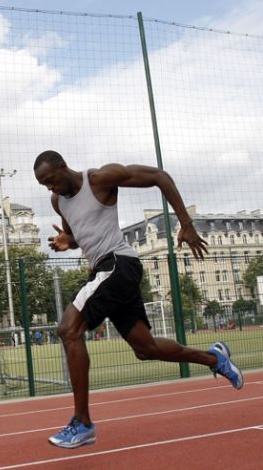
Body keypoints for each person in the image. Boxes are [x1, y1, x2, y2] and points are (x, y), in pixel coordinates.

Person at [33, 150, 243, 449]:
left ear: (63, 167)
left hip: (118, 264)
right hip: (108, 272)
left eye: (51, 180)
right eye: (44, 184)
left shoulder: (100, 179)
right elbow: (79, 234)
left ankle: (83, 423)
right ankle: (214, 358)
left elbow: (159, 176)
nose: (50, 188)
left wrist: (185, 223)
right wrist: (68, 241)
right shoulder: (58, 202)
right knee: (146, 348)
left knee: (68, 329)